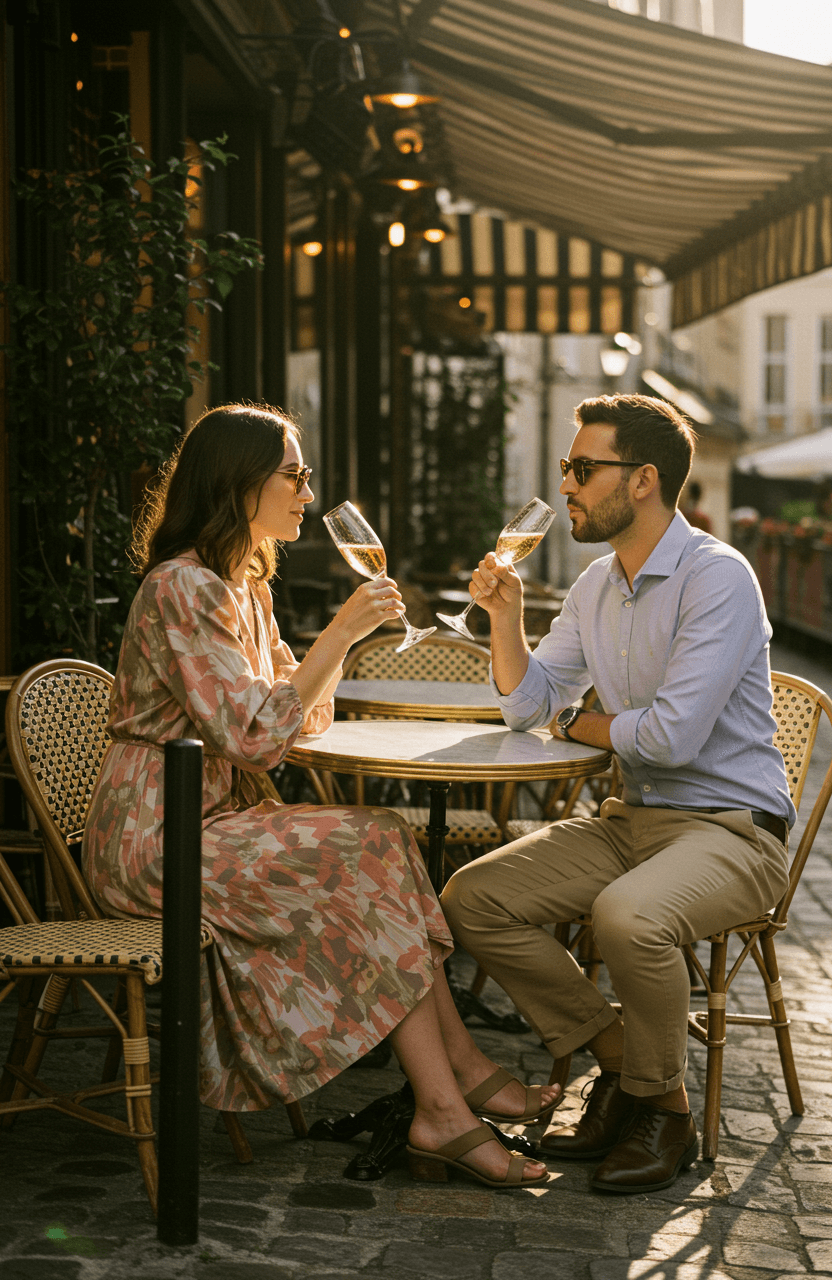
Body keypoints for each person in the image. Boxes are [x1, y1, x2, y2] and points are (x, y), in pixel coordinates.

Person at [83, 403, 558, 1188]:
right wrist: (339, 636)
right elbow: (257, 738)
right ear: (240, 485)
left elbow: (309, 716)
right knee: (368, 845)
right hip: (152, 838)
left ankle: (456, 1082)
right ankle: (446, 1105)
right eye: (295, 476)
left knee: (386, 838)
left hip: (215, 819)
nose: (308, 493)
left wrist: (338, 649)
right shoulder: (182, 589)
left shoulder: (248, 588)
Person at [441, 393, 794, 1195]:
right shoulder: (597, 582)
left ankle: (662, 1118)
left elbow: (669, 737)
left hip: (734, 831)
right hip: (633, 821)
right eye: (567, 468)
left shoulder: (718, 578)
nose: (566, 483)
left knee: (627, 916)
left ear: (641, 480)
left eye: (581, 468)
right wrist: (504, 618)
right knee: (471, 898)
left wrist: (577, 719)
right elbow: (531, 706)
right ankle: (633, 1068)